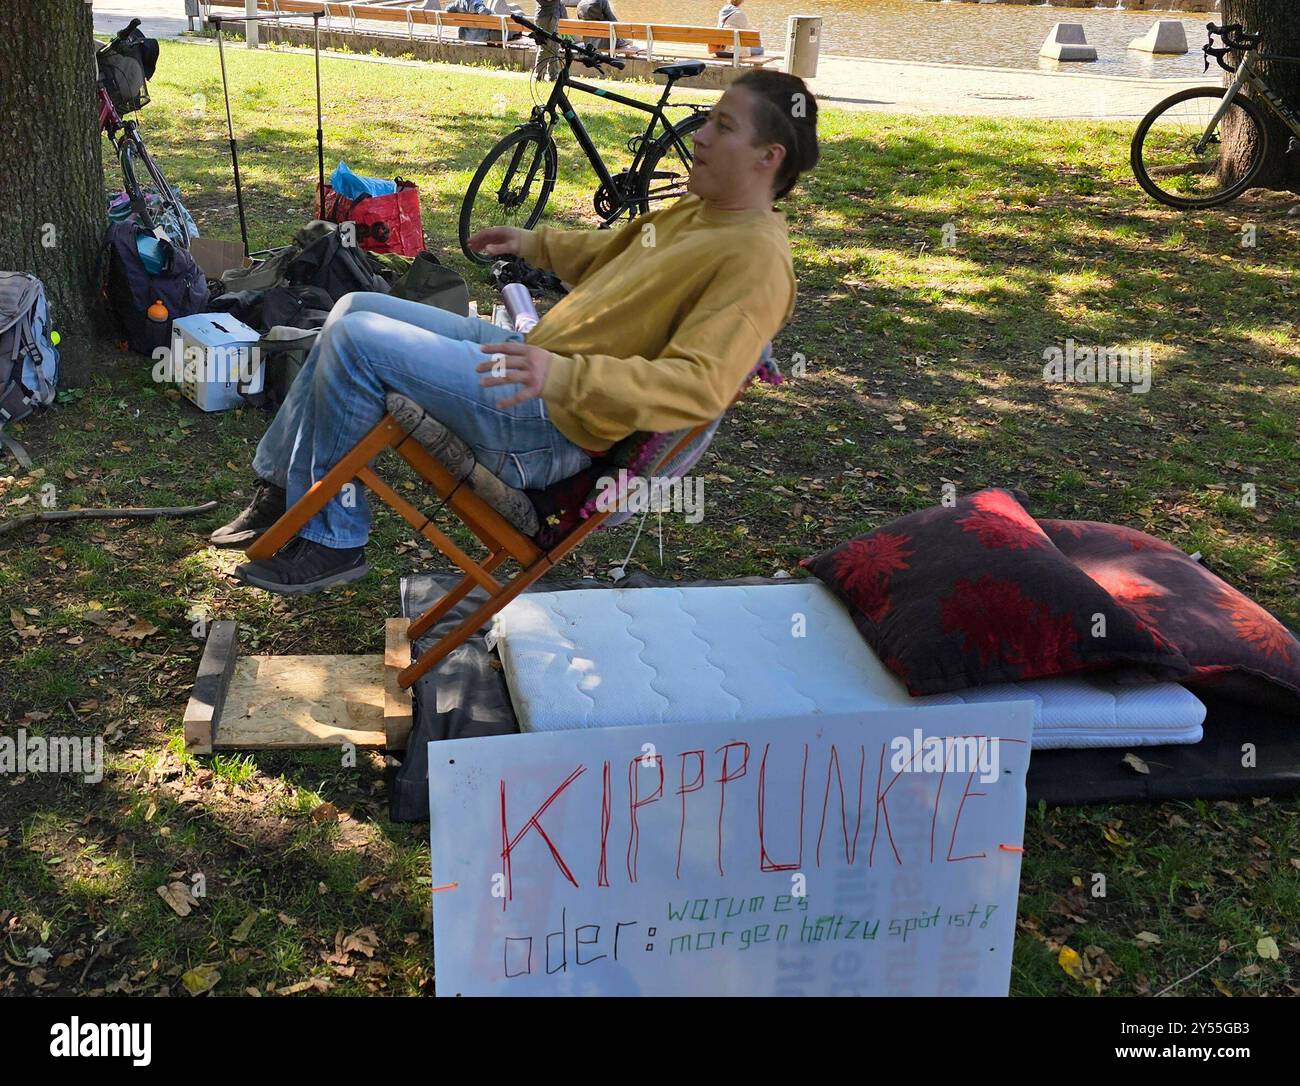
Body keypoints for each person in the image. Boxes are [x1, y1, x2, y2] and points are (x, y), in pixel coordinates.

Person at [216, 70, 819, 594]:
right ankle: (282, 491)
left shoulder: (755, 262)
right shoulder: (702, 211)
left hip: (546, 424)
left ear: (770, 157)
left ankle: (334, 538)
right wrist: (536, 244)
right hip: (530, 361)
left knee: (355, 344)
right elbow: (614, 253)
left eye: (723, 126)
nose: (702, 136)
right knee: (352, 306)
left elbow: (700, 385)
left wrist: (566, 374)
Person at [534, 0, 568, 80]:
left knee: (554, 47)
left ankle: (553, 76)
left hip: (549, 15)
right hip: (547, 17)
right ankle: (538, 76)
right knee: (545, 47)